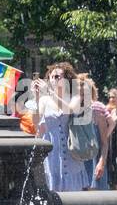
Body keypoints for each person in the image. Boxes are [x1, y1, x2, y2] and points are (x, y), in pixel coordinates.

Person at [34, 62, 94, 193]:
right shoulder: (44, 100)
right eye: (51, 77)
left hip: (71, 149)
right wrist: (36, 97)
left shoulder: (75, 97)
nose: (54, 79)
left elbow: (69, 110)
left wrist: (49, 92)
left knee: (74, 193)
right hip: (51, 151)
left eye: (58, 76)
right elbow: (36, 125)